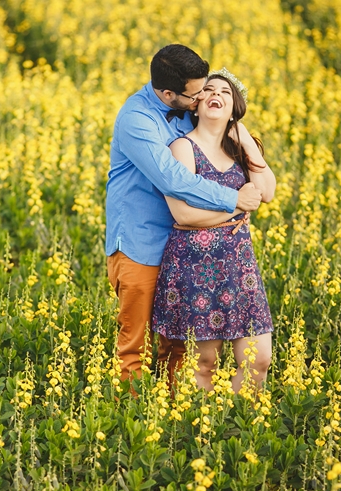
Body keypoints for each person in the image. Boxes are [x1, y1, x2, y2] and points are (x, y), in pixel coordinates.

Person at [106, 45, 263, 387]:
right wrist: (233, 200)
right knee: (135, 346)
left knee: (180, 347)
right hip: (141, 243)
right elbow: (172, 180)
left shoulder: (187, 108)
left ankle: (178, 421)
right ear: (168, 94)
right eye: (195, 95)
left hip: (183, 250)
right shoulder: (136, 120)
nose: (201, 99)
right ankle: (131, 422)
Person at [152, 68, 276, 392]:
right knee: (203, 364)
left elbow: (266, 192)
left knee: (258, 359)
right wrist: (239, 204)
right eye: (207, 90)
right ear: (195, 103)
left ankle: (238, 429)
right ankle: (201, 436)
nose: (215, 95)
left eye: (225, 92)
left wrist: (246, 139)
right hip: (196, 268)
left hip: (239, 267)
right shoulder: (182, 148)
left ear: (234, 108)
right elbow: (183, 213)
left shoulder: (239, 151)